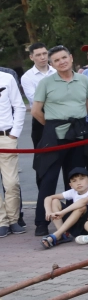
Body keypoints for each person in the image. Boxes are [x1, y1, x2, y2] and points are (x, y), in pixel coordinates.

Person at [32, 46, 88, 237]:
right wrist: (51, 126)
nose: (62, 62)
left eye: (64, 58)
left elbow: (87, 105)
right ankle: (41, 222)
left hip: (78, 134)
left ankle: (72, 221)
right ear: (52, 64)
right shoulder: (46, 82)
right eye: (56, 60)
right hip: (54, 135)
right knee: (48, 180)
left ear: (71, 58)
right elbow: (36, 111)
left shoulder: (83, 80)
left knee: (75, 180)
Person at [41, 168, 88, 248]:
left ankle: (56, 235)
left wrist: (62, 212)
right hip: (75, 222)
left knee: (81, 207)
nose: (78, 183)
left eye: (81, 179)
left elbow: (83, 201)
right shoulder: (73, 191)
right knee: (55, 201)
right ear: (71, 185)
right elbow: (48, 198)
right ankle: (61, 235)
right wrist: (48, 211)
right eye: (74, 181)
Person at [0, 63, 26, 237]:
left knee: (11, 183)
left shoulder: (7, 78)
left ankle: (13, 219)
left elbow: (19, 106)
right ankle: (2, 221)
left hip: (6, 136)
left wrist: (14, 133)